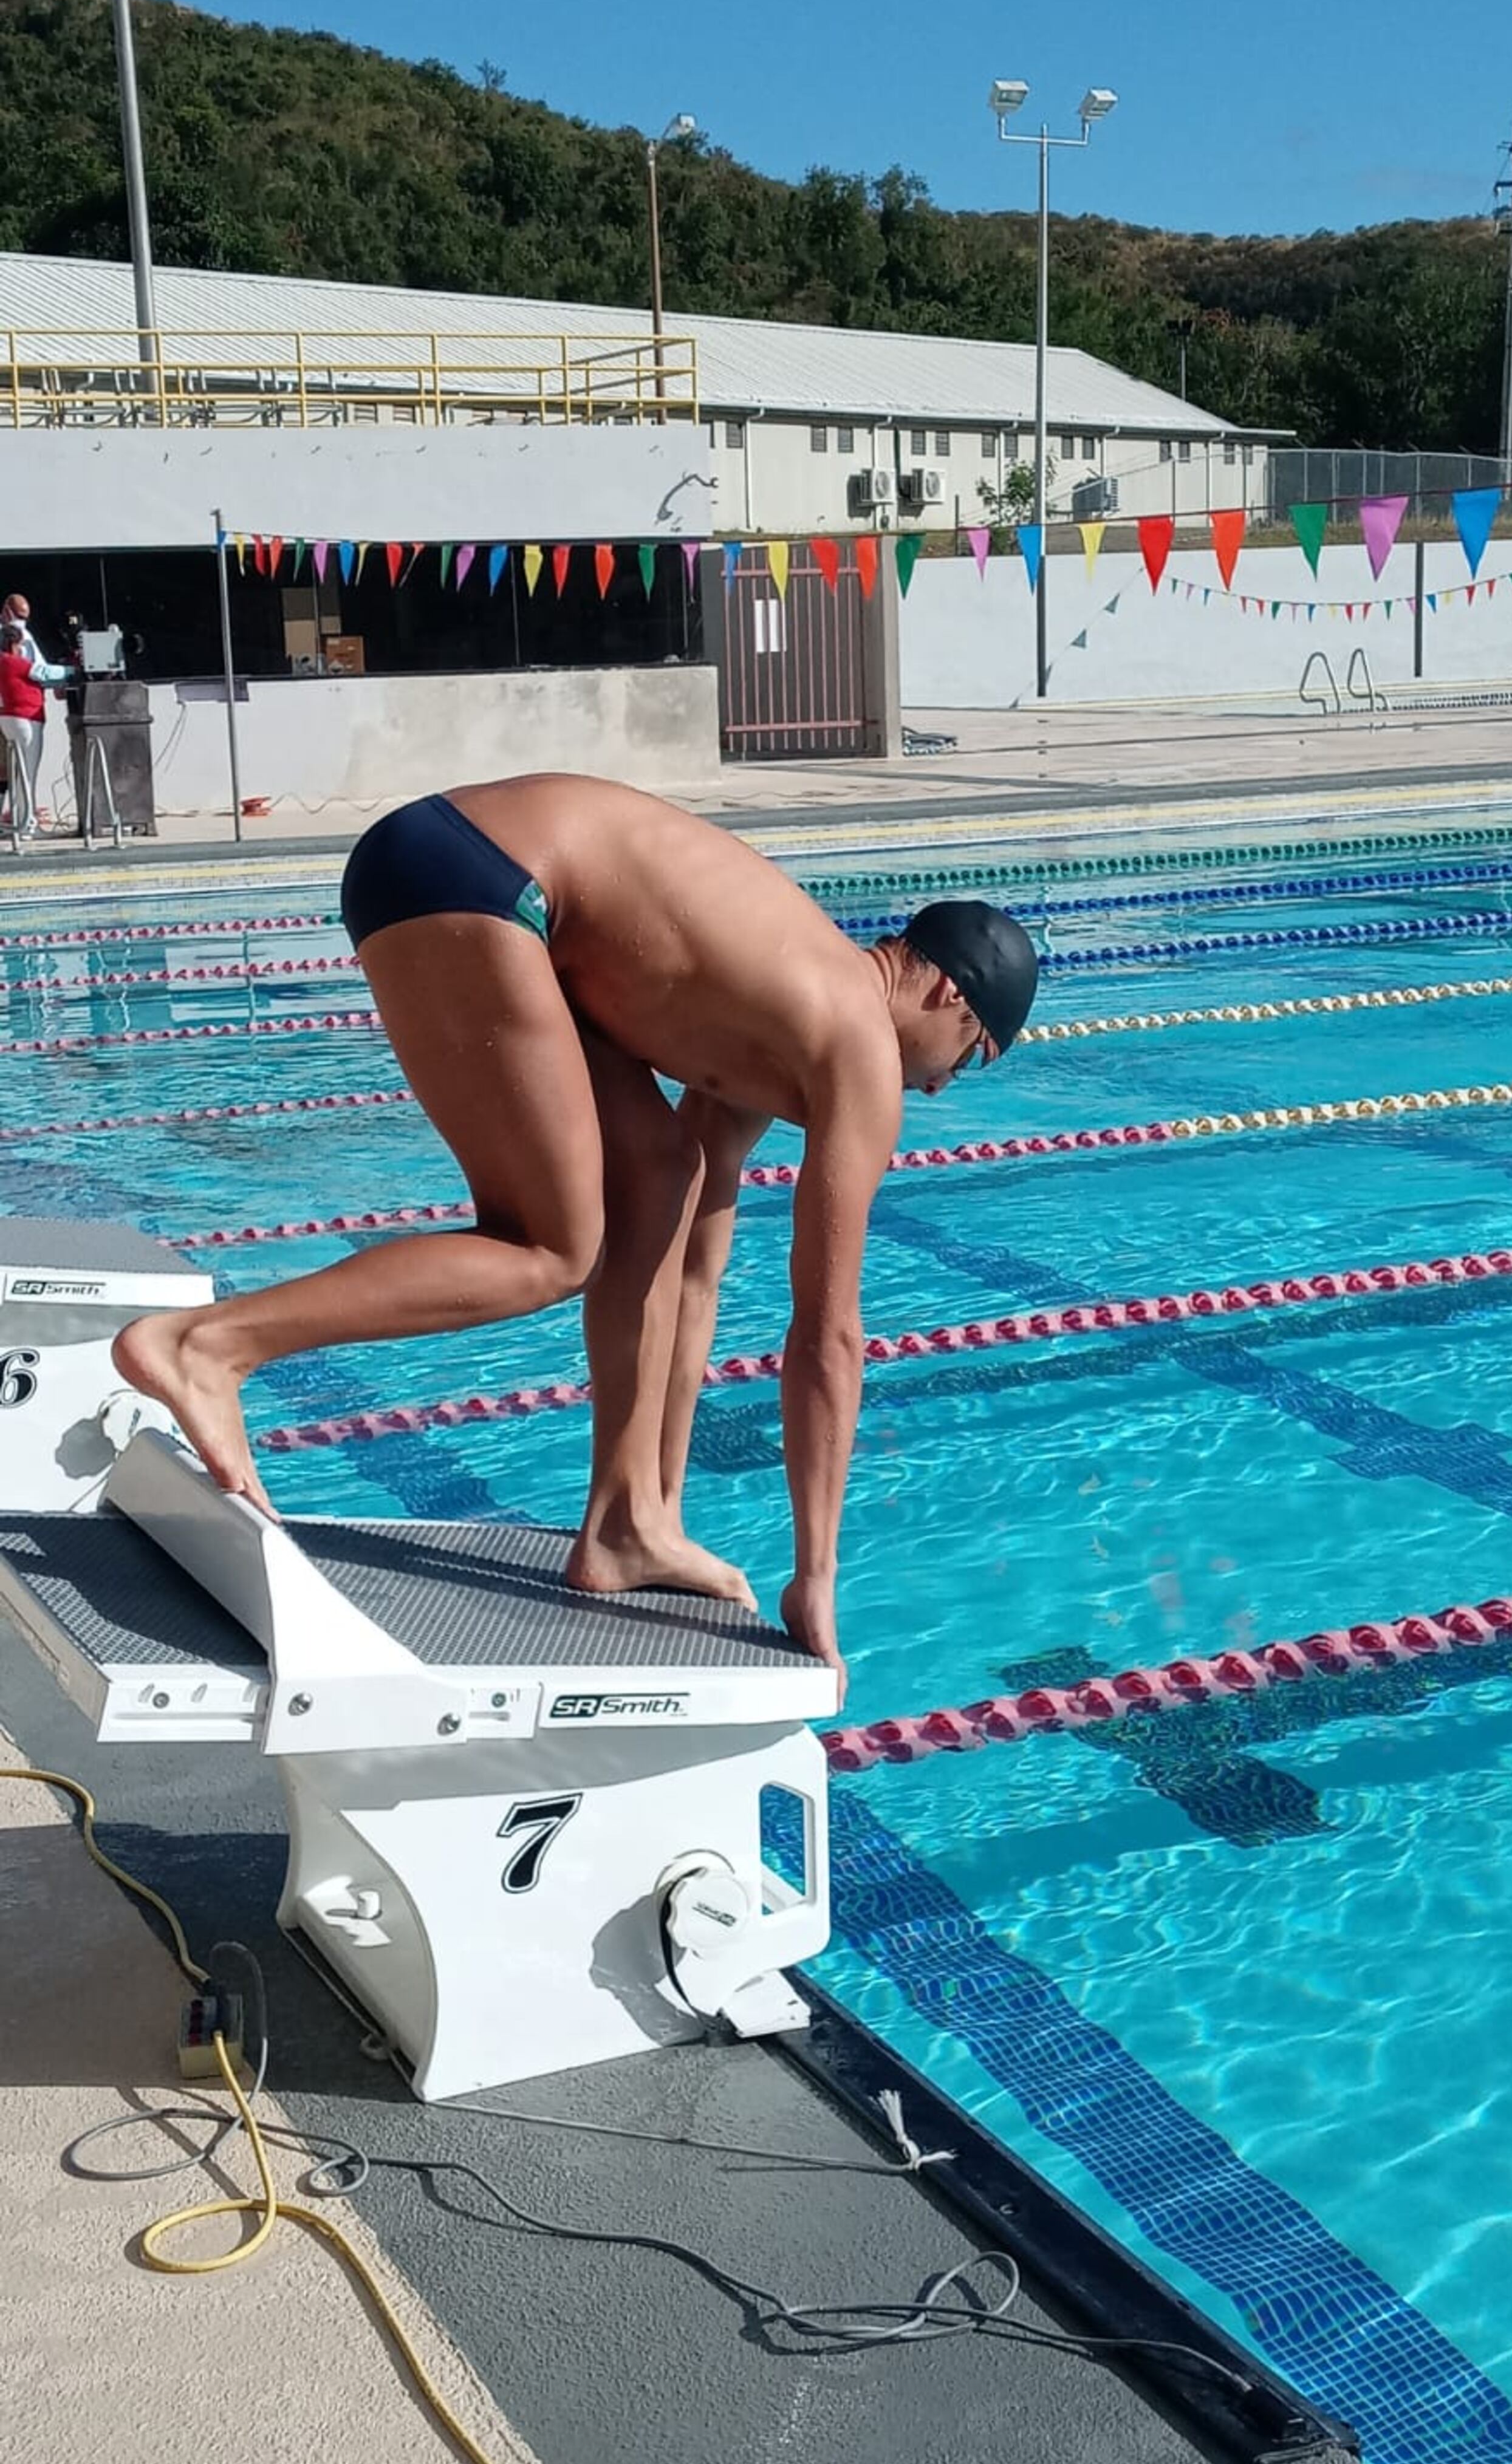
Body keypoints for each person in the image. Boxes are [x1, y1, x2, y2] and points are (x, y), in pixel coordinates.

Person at [114, 776, 1038, 1682]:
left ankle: (628, 1523)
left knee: (657, 1176)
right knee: (549, 1249)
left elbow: (693, 1267)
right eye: (968, 1060)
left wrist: (666, 1506)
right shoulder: (860, 1045)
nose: (940, 1088)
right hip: (484, 882)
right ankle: (209, 1347)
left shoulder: (792, 1007)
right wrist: (818, 1576)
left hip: (457, 860)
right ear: (951, 999)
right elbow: (828, 1334)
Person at [0, 619, 74, 837]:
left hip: (8, 718)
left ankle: (22, 821)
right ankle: (28, 825)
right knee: (28, 773)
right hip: (26, 718)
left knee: (19, 772)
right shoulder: (14, 662)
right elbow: (44, 673)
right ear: (15, 643)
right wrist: (73, 669)